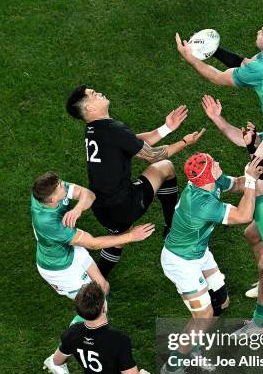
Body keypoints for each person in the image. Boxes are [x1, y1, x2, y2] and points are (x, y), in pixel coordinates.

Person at [176, 21, 263, 284]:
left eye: (261, 32)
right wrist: (215, 50)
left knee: (258, 190)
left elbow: (218, 78)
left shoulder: (262, 69)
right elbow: (245, 64)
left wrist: (191, 59)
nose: (258, 32)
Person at [66, 85, 204, 278]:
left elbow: (131, 141)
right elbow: (153, 155)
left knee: (118, 239)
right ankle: (172, 227)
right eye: (93, 94)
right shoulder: (113, 129)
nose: (99, 92)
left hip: (102, 207)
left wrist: (167, 128)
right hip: (125, 204)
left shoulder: (93, 129)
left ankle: (95, 282)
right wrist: (184, 142)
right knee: (165, 167)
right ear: (89, 108)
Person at [32, 171, 155, 374]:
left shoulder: (45, 194)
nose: (65, 187)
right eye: (61, 187)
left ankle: (60, 356)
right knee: (95, 307)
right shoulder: (50, 223)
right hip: (61, 269)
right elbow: (95, 243)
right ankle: (57, 360)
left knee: (103, 287)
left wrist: (78, 208)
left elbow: (87, 194)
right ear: (52, 200)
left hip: (69, 250)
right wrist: (131, 236)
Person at [160, 154, 263, 374]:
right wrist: (250, 182)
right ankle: (173, 367)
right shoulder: (201, 203)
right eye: (213, 163)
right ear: (207, 176)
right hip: (181, 262)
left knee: (221, 302)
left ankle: (193, 349)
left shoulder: (208, 181)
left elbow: (235, 184)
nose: (217, 162)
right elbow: (243, 216)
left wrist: (251, 177)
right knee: (203, 316)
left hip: (198, 253)